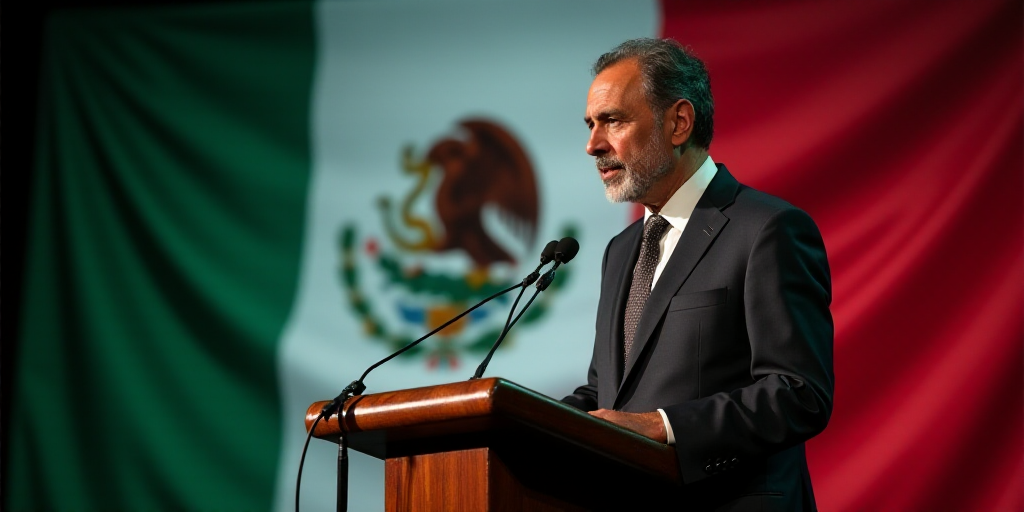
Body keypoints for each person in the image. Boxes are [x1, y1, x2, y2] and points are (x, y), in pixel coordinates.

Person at [561, 38, 834, 511]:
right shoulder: (621, 251)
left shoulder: (766, 229)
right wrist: (519, 422)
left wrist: (664, 425)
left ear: (678, 122)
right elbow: (607, 392)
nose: (593, 145)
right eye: (590, 124)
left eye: (613, 120)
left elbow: (798, 393)